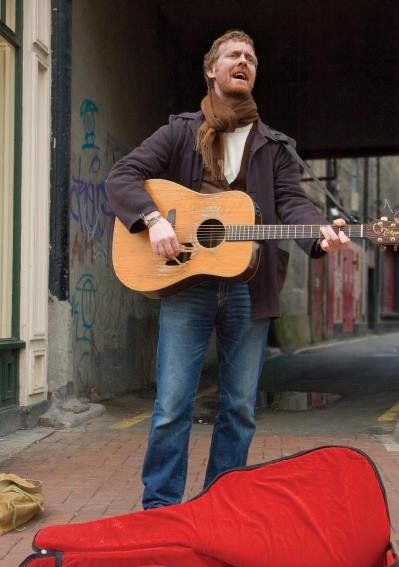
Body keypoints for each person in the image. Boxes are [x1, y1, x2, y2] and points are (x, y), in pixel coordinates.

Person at [106, 30, 350, 509]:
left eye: (252, 59)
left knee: (239, 409)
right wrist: (153, 219)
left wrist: (320, 231)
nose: (244, 62)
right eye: (234, 55)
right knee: (172, 407)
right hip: (185, 282)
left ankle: (221, 508)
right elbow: (122, 175)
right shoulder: (180, 131)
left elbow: (291, 205)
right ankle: (161, 510)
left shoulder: (274, 145)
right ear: (212, 71)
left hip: (249, 289)